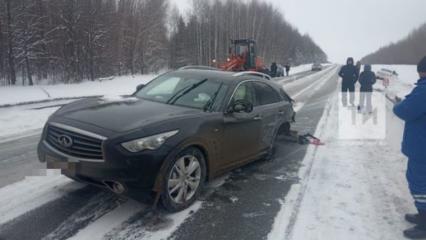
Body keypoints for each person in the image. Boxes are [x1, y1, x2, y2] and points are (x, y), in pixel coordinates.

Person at [393, 56, 426, 239]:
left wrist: (399, 104)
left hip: (423, 148)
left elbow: (404, 110)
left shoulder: (424, 90)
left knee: (420, 183)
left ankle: (424, 223)